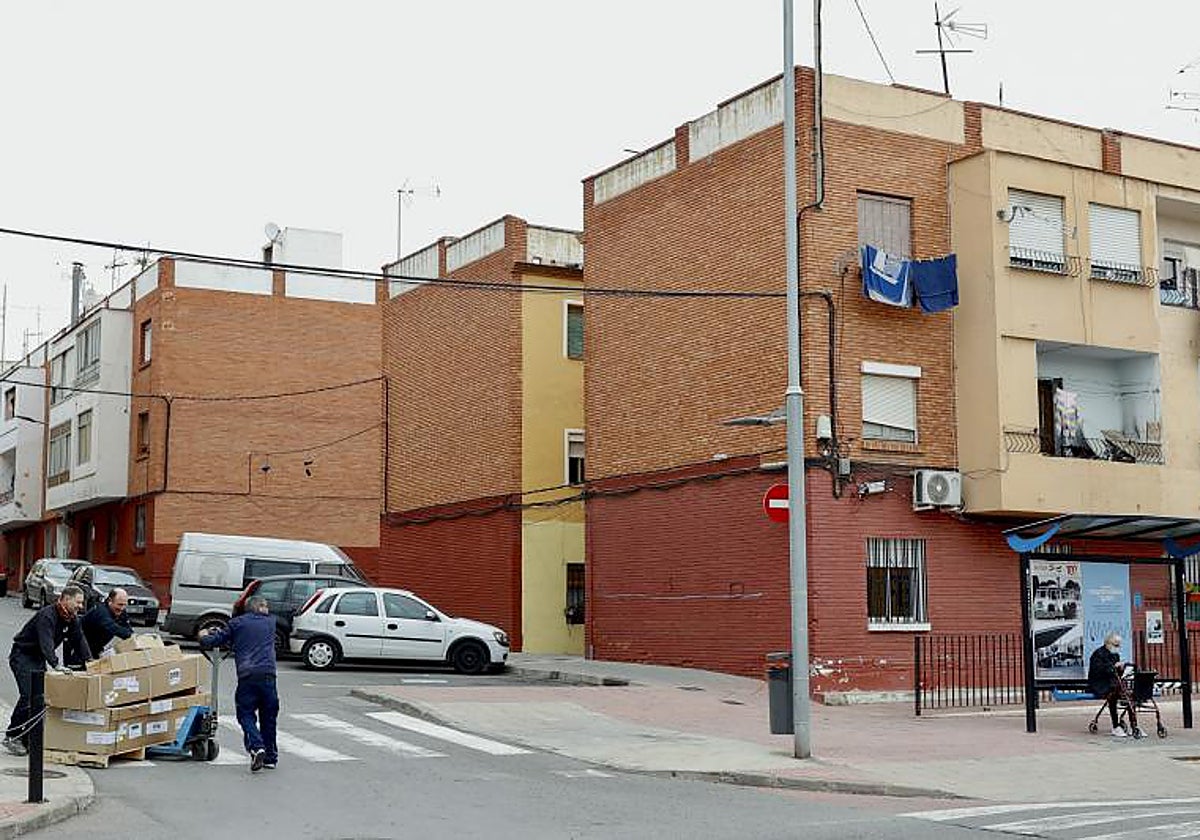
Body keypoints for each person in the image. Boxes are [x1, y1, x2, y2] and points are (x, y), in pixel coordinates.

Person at [3, 585, 91, 756]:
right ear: (66, 599)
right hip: (23, 656)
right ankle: (12, 736)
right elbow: (46, 642)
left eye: (82, 603)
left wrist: (90, 661)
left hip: (37, 659)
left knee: (40, 699)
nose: (81, 606)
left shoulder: (71, 618)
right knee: (28, 696)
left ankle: (29, 740)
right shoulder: (47, 615)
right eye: (78, 602)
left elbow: (79, 639)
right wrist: (56, 664)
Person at [199, 595, 278, 771]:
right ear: (258, 607)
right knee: (269, 717)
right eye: (265, 606)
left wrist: (203, 635)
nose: (267, 609)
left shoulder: (237, 623)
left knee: (246, 715)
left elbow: (214, 641)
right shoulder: (271, 622)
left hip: (247, 676)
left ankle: (257, 747)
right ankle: (271, 758)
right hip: (268, 676)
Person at [1088, 631, 1132, 738]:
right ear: (1108, 643)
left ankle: (1134, 725)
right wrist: (1113, 667)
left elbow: (1117, 674)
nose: (1118, 647)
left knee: (1129, 695)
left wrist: (1120, 669)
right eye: (1116, 645)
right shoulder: (1098, 654)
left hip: (1112, 683)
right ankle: (1115, 726)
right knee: (1113, 695)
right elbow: (1098, 671)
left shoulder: (1115, 655)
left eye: (1119, 645)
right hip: (1100, 684)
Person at [80, 588, 134, 657]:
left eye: (124, 605)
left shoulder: (121, 611)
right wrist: (130, 635)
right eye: (120, 605)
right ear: (110, 601)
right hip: (81, 648)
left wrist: (133, 637)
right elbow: (112, 627)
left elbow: (127, 628)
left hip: (98, 649)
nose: (122, 608)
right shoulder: (100, 611)